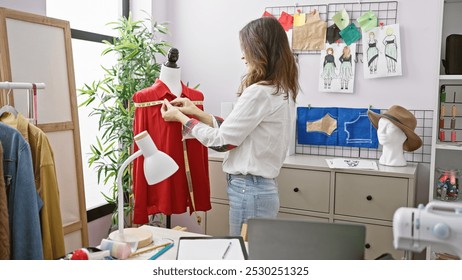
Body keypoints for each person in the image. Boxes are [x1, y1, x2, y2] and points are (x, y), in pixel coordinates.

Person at [160, 16, 299, 236]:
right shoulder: (282, 91)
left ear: (260, 50)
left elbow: (223, 142)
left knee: (241, 256)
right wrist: (197, 113)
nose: (243, 56)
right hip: (261, 190)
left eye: (246, 49)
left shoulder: (259, 92)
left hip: (249, 190)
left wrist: (182, 119)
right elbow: (237, 132)